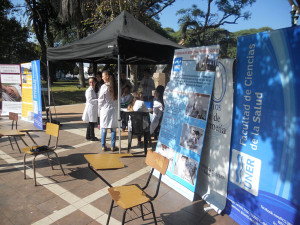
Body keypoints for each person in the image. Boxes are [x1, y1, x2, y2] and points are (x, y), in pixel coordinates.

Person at [98, 70, 118, 151]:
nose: (102, 78)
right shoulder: (116, 87)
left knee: (104, 128)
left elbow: (100, 100)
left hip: (105, 110)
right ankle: (113, 146)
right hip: (113, 110)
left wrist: (100, 108)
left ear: (107, 77)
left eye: (103, 76)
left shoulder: (104, 87)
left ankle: (103, 145)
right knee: (113, 128)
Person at [82, 77, 98, 141]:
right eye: (90, 82)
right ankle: (92, 137)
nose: (91, 83)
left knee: (90, 122)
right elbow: (90, 100)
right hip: (90, 108)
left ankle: (88, 135)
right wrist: (99, 100)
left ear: (95, 82)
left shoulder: (93, 89)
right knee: (92, 123)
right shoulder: (89, 90)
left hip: (93, 108)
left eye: (92, 82)